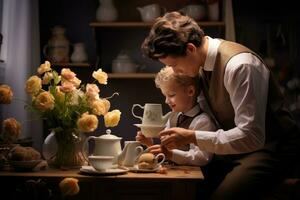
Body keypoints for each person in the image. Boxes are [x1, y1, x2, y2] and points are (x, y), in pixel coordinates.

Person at [141, 11, 300, 200]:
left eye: (175, 65)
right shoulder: (199, 64)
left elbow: (252, 136)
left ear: (190, 49)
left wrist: (193, 136)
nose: (175, 71)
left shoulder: (240, 66)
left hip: (271, 147)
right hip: (236, 149)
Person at [136, 66, 216, 166]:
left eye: (171, 95)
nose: (166, 101)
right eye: (165, 96)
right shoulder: (172, 118)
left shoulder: (202, 122)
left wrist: (169, 154)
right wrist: (149, 143)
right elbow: (167, 152)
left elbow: (201, 158)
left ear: (190, 91)